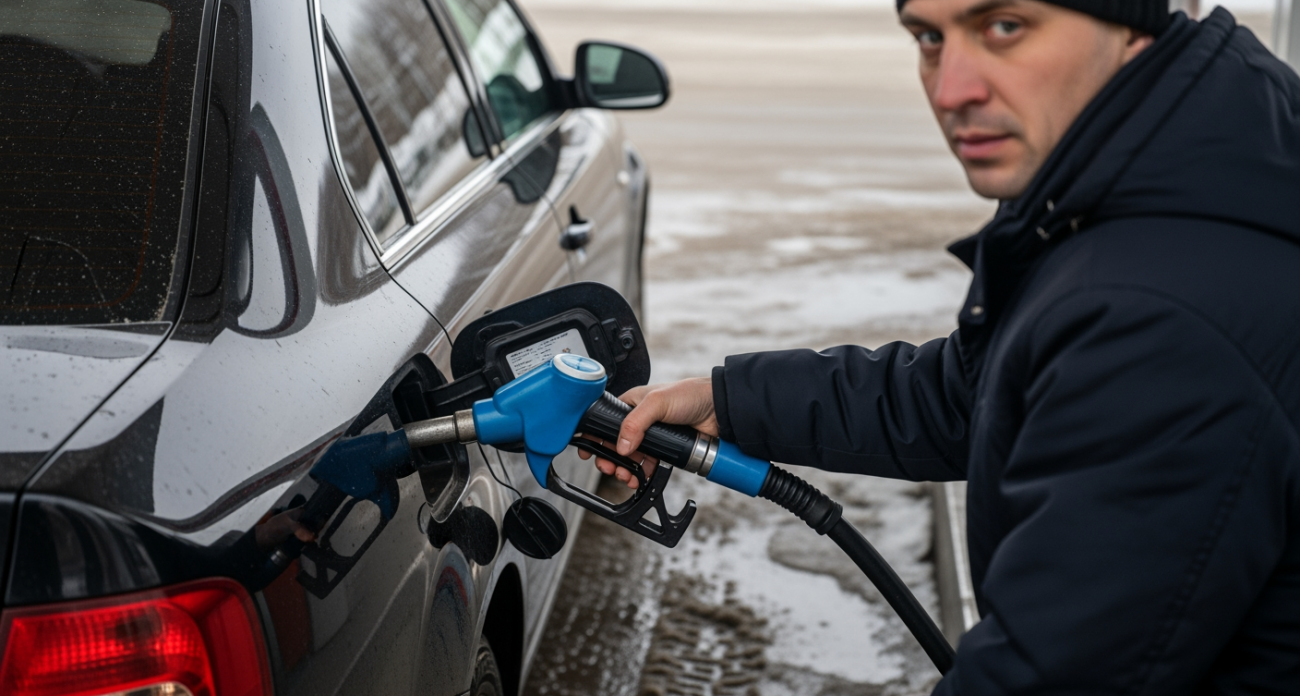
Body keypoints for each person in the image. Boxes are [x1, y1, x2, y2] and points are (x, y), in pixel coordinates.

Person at [583, 0, 1300, 692]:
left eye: (1005, 25)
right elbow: (971, 392)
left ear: (1130, 25)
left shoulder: (1158, 313)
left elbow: (1047, 675)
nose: (951, 89)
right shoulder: (1155, 180)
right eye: (928, 37)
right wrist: (728, 402)